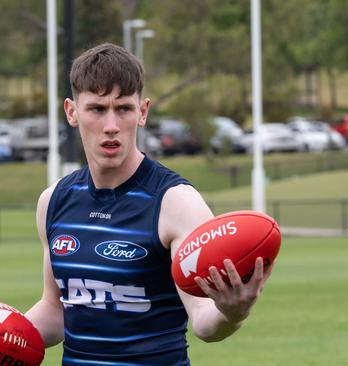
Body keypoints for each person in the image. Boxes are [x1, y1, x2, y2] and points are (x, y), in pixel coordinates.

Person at [24, 43, 274, 365]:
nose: (111, 124)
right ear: (72, 112)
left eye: (124, 108)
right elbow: (56, 309)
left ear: (142, 112)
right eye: (98, 109)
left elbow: (204, 321)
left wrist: (232, 312)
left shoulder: (175, 202)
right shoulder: (54, 201)